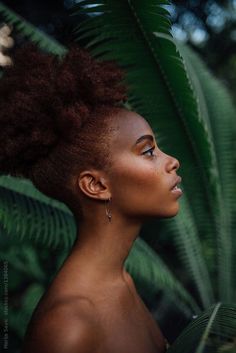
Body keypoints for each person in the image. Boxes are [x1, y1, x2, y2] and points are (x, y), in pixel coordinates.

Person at [0, 43, 182, 353]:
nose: (172, 161)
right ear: (96, 185)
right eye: (148, 151)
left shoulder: (121, 281)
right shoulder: (68, 328)